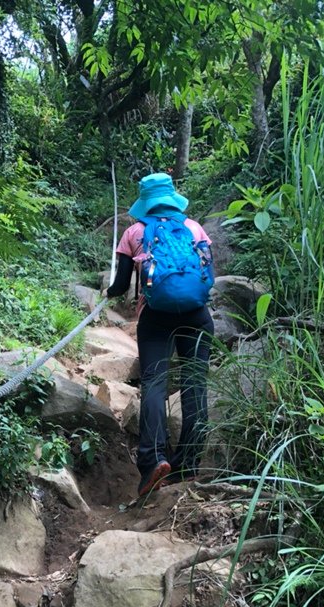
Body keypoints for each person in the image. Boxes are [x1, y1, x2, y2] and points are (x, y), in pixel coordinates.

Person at [104, 172, 215, 497]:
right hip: (197, 316)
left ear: (144, 202)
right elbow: (208, 276)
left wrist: (109, 293)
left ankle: (154, 460)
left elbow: (122, 286)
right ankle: (189, 463)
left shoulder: (134, 232)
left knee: (154, 383)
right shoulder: (194, 228)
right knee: (195, 383)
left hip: (155, 318)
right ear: (172, 198)